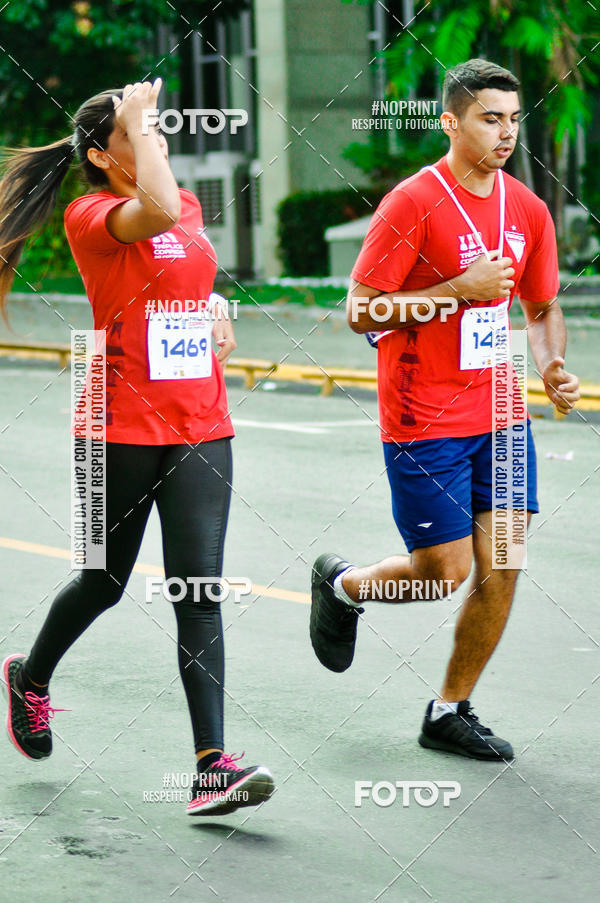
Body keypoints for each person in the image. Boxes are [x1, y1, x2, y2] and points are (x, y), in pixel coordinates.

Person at [0, 80, 274, 815]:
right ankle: (29, 678)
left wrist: (214, 306)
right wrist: (136, 116)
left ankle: (211, 765)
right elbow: (148, 217)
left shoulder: (181, 203)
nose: (158, 139)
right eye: (139, 132)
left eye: (156, 128)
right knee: (103, 581)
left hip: (200, 424)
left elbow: (184, 270)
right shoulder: (92, 216)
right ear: (102, 154)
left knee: (197, 590)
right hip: (112, 428)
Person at [310, 59, 580, 760]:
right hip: (423, 413)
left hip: (502, 411)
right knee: (443, 571)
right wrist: (457, 288)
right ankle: (343, 586)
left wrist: (550, 362)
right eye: (491, 118)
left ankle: (449, 709)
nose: (506, 133)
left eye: (514, 119)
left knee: (507, 559)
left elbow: (543, 305)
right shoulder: (412, 203)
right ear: (451, 121)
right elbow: (360, 309)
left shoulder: (527, 208)